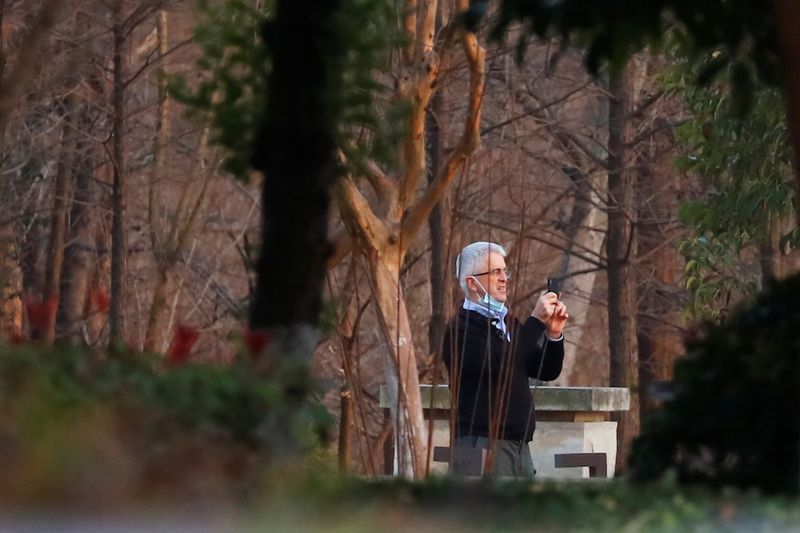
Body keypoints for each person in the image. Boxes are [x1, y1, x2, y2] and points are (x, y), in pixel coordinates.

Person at [442, 241, 568, 477]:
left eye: (504, 271)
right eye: (495, 272)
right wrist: (535, 322)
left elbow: (545, 370)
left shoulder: (508, 323)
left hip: (518, 445)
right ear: (472, 283)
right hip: (481, 443)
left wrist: (553, 334)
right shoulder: (460, 328)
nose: (504, 279)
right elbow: (501, 364)